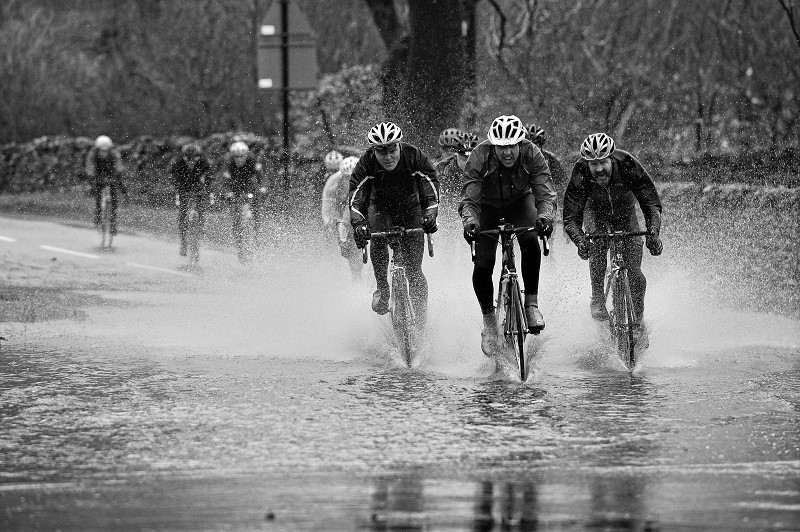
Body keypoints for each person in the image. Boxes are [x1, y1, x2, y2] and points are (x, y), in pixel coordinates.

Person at [459, 115, 557, 354]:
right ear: (493, 145)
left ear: (519, 143)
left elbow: (545, 194)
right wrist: (471, 223)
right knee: (483, 265)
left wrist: (545, 218)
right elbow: (469, 200)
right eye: (501, 147)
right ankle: (489, 323)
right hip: (486, 206)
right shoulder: (479, 156)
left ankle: (531, 303)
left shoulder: (532, 153)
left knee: (530, 240)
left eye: (511, 146)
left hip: (520, 201)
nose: (507, 153)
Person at [562, 133, 663, 326]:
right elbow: (571, 217)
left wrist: (653, 233)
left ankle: (638, 323)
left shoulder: (627, 164)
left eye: (603, 163)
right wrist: (581, 240)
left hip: (625, 214)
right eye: (593, 164)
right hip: (596, 213)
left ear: (612, 159)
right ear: (587, 164)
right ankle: (598, 297)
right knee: (598, 245)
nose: (599, 169)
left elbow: (651, 203)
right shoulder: (581, 171)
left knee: (635, 274)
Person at [349, 122, 440, 324]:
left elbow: (430, 185)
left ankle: (421, 320)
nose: (388, 157)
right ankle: (383, 289)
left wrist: (430, 214)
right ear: (374, 151)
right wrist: (359, 224)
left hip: (411, 208)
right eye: (382, 152)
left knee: (414, 270)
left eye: (392, 150)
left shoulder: (413, 155)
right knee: (378, 238)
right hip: (380, 208)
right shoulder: (366, 162)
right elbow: (356, 197)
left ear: (399, 146)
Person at [321, 155, 363, 280]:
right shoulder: (333, 181)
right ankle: (355, 272)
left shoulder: (367, 180)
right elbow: (327, 204)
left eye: (353, 177)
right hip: (342, 211)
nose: (350, 180)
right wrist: (328, 221)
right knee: (347, 240)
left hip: (360, 208)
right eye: (346, 178)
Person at [171, 143, 214, 257]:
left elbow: (209, 175)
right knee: (182, 214)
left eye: (193, 157)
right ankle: (184, 242)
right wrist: (177, 186)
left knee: (201, 212)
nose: (190, 159)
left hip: (199, 189)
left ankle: (199, 233)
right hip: (183, 189)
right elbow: (173, 175)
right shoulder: (179, 161)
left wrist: (208, 189)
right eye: (188, 157)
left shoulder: (203, 161)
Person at [223, 141, 266, 252]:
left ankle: (257, 234)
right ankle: (239, 242)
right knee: (236, 217)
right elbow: (224, 181)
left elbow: (260, 175)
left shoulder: (252, 160)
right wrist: (227, 192)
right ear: (233, 156)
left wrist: (263, 187)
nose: (239, 159)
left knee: (257, 209)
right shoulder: (229, 163)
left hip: (250, 186)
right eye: (236, 157)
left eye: (241, 156)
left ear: (246, 155)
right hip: (236, 187)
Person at [85, 135, 125, 237]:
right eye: (101, 150)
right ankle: (98, 215)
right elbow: (90, 167)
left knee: (114, 196)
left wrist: (118, 176)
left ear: (109, 149)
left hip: (111, 173)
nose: (104, 152)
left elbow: (118, 165)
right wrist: (92, 178)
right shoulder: (93, 154)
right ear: (97, 149)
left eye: (106, 150)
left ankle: (113, 222)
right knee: (98, 195)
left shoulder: (114, 153)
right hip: (98, 174)